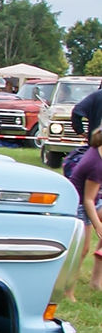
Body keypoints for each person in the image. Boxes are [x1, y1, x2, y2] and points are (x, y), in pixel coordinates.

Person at [65, 125, 102, 302]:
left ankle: (95, 281)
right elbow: (88, 200)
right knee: (81, 250)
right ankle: (67, 291)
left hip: (88, 202)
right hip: (78, 204)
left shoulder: (96, 151)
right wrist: (98, 225)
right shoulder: (97, 164)